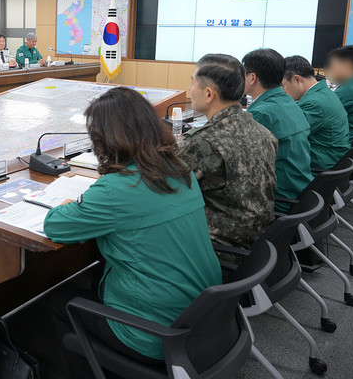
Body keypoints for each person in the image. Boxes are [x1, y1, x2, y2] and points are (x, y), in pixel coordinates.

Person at [45, 87, 221, 373]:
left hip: (154, 334)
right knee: (101, 271)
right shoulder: (179, 168)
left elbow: (55, 226)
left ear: (105, 140)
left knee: (60, 302)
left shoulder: (114, 190)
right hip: (203, 318)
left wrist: (76, 203)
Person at [177, 54, 277, 249]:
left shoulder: (202, 143)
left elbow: (163, 192)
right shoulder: (264, 132)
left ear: (208, 94)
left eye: (192, 83)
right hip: (261, 245)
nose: (190, 89)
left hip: (217, 249)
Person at [242, 48, 312, 213]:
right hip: (301, 191)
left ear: (252, 78)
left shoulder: (261, 113)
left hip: (279, 198)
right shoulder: (289, 102)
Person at [282, 55, 351, 171]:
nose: (283, 91)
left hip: (320, 166)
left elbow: (287, 135)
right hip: (333, 158)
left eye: (283, 85)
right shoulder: (324, 92)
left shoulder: (313, 103)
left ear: (297, 79)